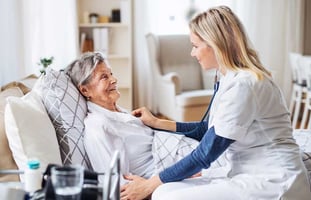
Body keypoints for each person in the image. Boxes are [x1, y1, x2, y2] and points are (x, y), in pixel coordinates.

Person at [120, 6, 311, 200]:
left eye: (195, 45)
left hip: (274, 180)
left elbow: (205, 153)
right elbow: (209, 129)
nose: (192, 53)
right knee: (163, 191)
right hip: (244, 170)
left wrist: (149, 184)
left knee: (164, 195)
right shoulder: (228, 77)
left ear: (215, 45)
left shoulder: (244, 85)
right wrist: (157, 123)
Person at [65, 52, 199, 184]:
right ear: (85, 90)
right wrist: (182, 174)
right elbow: (114, 182)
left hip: (189, 154)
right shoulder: (98, 126)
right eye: (104, 77)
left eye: (111, 73)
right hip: (179, 167)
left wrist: (155, 123)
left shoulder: (119, 111)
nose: (114, 80)